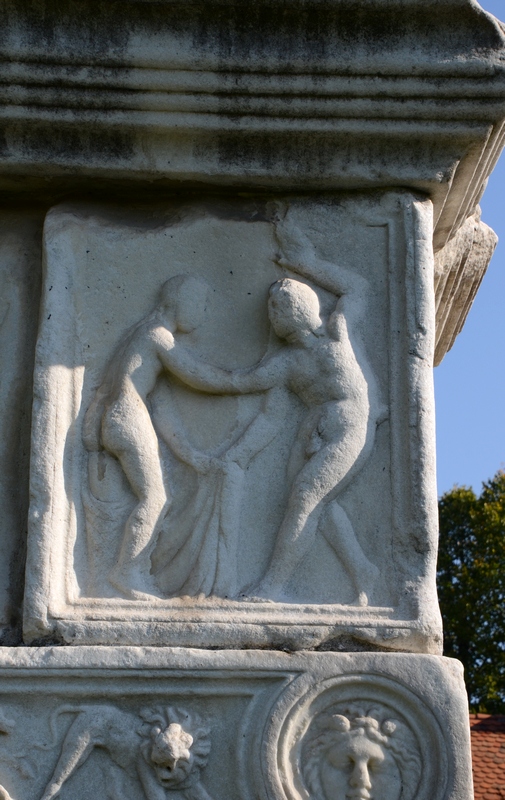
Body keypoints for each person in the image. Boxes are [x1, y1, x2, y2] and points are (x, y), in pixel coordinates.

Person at [167, 219, 384, 603]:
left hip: (348, 428)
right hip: (312, 433)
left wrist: (306, 264)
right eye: (271, 306)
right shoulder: (286, 364)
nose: (274, 312)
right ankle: (364, 573)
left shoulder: (338, 332)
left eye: (281, 304)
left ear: (304, 306)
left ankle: (272, 587)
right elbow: (240, 383)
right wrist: (176, 362)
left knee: (306, 498)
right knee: (318, 501)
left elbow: (358, 287)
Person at [83, 274, 213, 600]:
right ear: (178, 303)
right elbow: (199, 376)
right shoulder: (158, 336)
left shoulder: (141, 336)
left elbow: (161, 411)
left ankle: (130, 570)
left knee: (155, 497)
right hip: (127, 420)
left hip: (120, 418)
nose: (203, 311)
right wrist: (246, 381)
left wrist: (191, 455)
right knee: (154, 499)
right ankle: (126, 572)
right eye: (199, 304)